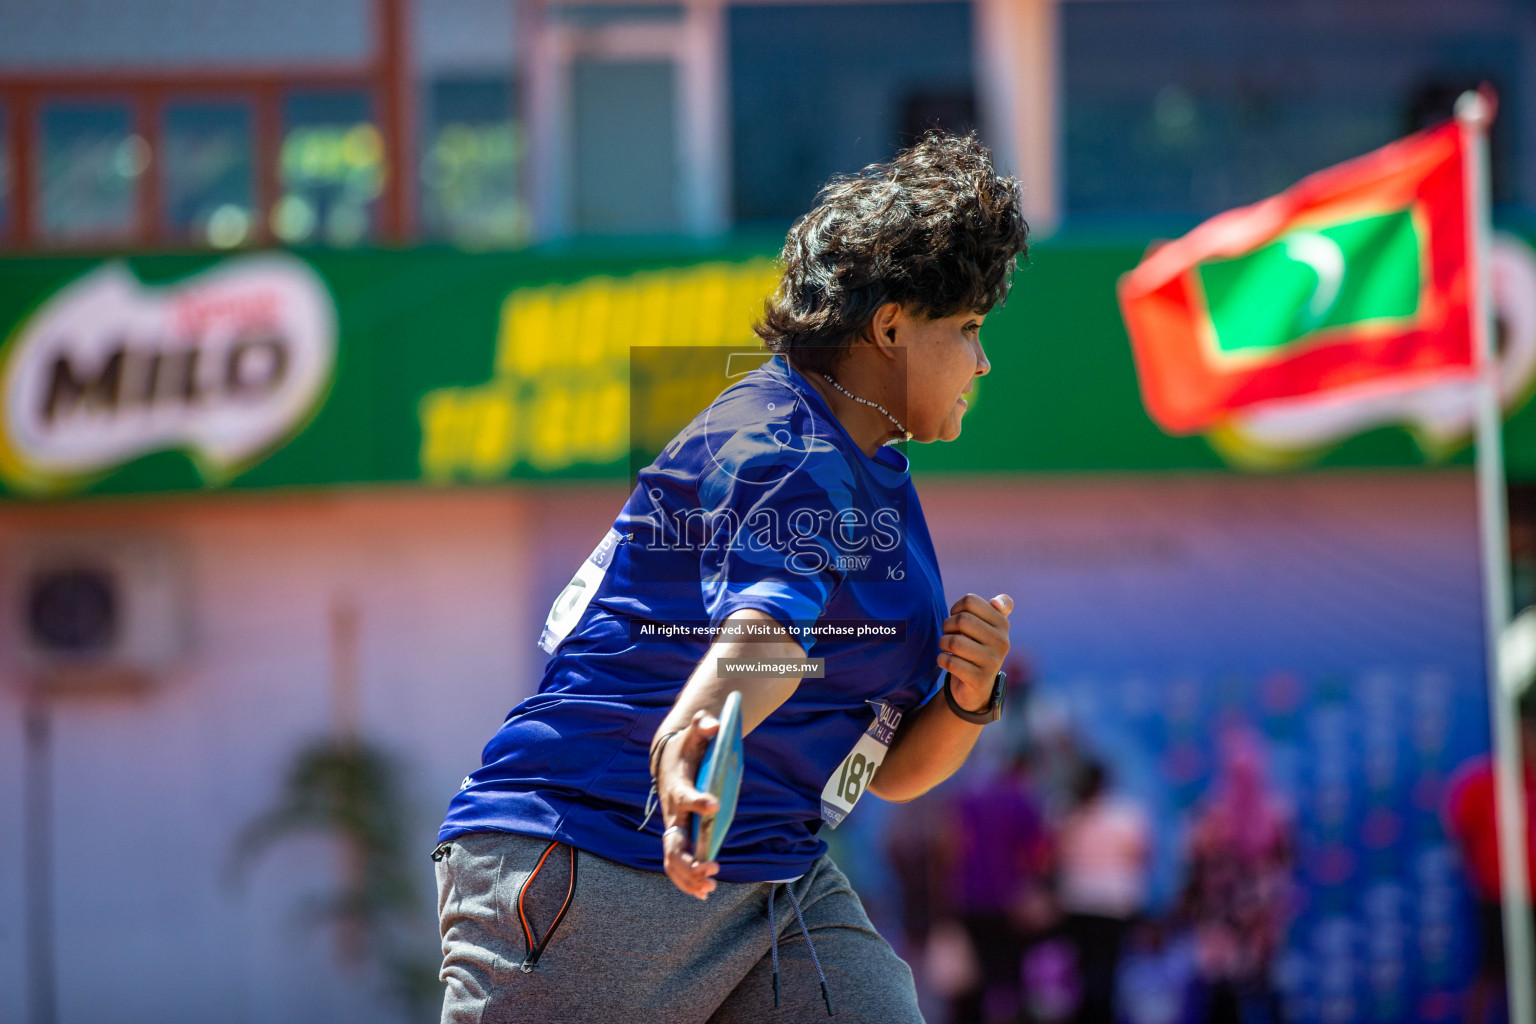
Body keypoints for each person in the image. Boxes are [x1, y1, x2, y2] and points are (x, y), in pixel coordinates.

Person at [430, 132, 1029, 1024]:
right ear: (892, 323)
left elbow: (885, 771)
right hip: (604, 858)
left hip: (773, 881)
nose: (984, 361)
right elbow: (766, 639)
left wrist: (968, 699)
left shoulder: (875, 473)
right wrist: (693, 740)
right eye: (969, 329)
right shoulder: (782, 445)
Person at [1179, 728, 1292, 1024]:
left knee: (1239, 990)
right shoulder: (1274, 812)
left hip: (1244, 915)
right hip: (1239, 914)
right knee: (1238, 989)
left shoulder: (1215, 814)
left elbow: (1193, 861)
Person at [1445, 685, 1536, 1024]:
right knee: (1491, 970)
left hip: (1532, 895)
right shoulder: (1482, 781)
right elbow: (1460, 832)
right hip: (1496, 897)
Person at [1056, 760, 1151, 1024]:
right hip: (1115, 902)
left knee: (1084, 967)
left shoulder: (1065, 814)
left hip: (1078, 902)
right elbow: (1139, 856)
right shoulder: (1126, 815)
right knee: (1108, 968)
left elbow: (1056, 857)